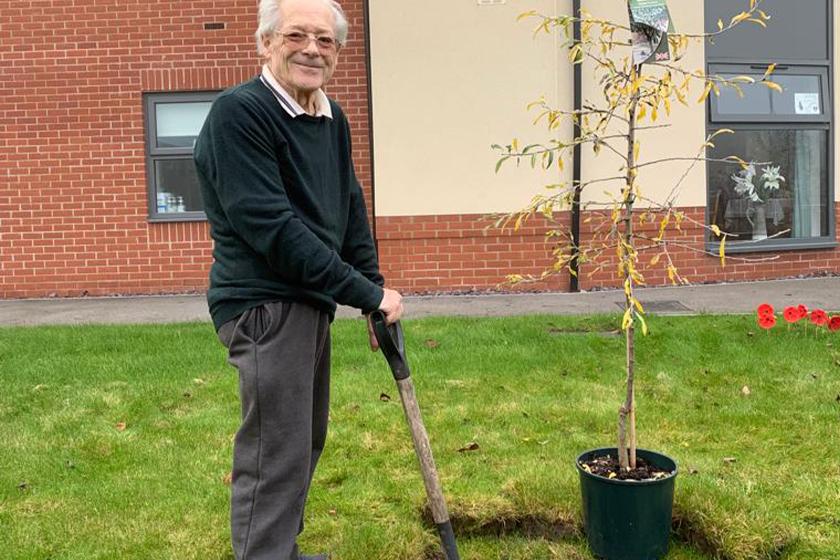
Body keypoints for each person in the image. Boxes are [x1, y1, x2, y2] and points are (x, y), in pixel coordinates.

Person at [193, 0, 403, 558]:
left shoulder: (329, 118)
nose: (312, 48)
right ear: (266, 43)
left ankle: (279, 548)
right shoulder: (240, 115)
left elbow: (349, 208)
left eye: (325, 40)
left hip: (308, 303)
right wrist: (364, 291)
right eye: (296, 36)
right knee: (274, 453)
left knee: (303, 442)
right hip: (264, 305)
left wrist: (374, 295)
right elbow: (276, 231)